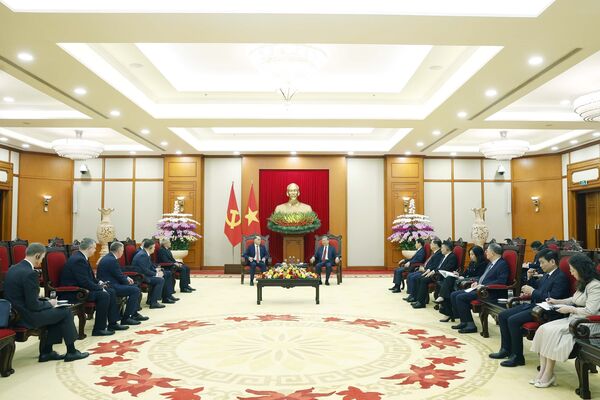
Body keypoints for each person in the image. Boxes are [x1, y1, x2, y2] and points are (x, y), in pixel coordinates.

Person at [3, 243, 89, 362]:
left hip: (15, 314)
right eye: (42, 258)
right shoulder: (30, 273)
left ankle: (47, 352)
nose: (41, 262)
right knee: (65, 311)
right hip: (27, 317)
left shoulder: (13, 268)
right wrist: (50, 304)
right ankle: (72, 352)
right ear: (37, 256)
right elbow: (33, 305)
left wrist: (46, 302)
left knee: (57, 312)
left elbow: (22, 297)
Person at [530, 253, 600, 388]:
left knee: (552, 333)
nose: (571, 273)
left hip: (588, 324)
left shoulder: (595, 285)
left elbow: (591, 311)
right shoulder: (583, 282)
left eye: (573, 270)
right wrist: (557, 301)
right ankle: (543, 371)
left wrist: (570, 309)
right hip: (576, 319)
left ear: (581, 269)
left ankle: (549, 374)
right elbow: (574, 299)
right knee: (544, 329)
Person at [489, 250, 569, 367]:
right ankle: (505, 349)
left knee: (513, 320)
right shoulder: (547, 274)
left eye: (542, 262)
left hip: (546, 310)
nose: (540, 265)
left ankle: (517, 357)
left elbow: (552, 298)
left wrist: (532, 291)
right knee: (502, 315)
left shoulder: (560, 277)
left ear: (552, 262)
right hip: (536, 305)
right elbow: (539, 288)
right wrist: (530, 278)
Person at [60, 238, 128, 336]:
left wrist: (100, 283)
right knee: (104, 295)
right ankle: (98, 329)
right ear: (89, 248)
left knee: (111, 291)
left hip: (82, 288)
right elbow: (84, 282)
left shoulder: (82, 257)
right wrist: (100, 288)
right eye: (94, 248)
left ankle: (113, 323)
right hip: (74, 292)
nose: (95, 250)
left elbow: (90, 278)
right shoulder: (78, 260)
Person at [450, 243, 509, 334]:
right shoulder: (491, 263)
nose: (485, 252)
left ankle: (471, 325)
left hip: (489, 292)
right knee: (454, 294)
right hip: (481, 289)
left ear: (493, 253)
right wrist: (477, 282)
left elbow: (501, 281)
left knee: (460, 297)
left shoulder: (502, 264)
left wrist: (483, 285)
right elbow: (484, 277)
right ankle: (464, 322)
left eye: (487, 251)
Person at [97, 242, 149, 325]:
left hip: (112, 282)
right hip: (111, 285)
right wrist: (128, 282)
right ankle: (127, 318)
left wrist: (127, 277)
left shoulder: (109, 257)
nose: (122, 252)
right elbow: (119, 276)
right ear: (119, 250)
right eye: (122, 250)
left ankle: (134, 313)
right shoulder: (112, 260)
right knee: (135, 290)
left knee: (135, 287)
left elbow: (118, 273)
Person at [437, 245, 487, 321]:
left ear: (478, 254)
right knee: (449, 282)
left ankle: (446, 308)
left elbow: (479, 278)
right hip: (463, 281)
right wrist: (459, 275)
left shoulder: (483, 264)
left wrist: (464, 278)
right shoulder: (472, 263)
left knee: (447, 289)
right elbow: (465, 273)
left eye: (472, 254)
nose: (471, 256)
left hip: (470, 283)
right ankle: (444, 302)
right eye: (470, 254)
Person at [411, 241, 458, 309]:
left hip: (442, 276)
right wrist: (432, 271)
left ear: (447, 249)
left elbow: (446, 268)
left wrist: (434, 272)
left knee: (423, 280)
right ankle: (419, 300)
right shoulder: (444, 256)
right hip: (437, 274)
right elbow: (438, 266)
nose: (441, 249)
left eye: (442, 248)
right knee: (421, 278)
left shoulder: (452, 257)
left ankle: (421, 303)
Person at [131, 239, 176, 308]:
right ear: (150, 248)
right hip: (140, 276)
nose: (154, 249)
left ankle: (160, 298)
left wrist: (156, 270)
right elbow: (144, 270)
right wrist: (156, 274)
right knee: (160, 280)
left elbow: (149, 266)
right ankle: (154, 302)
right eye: (154, 247)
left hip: (144, 274)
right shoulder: (142, 255)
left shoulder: (145, 253)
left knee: (165, 274)